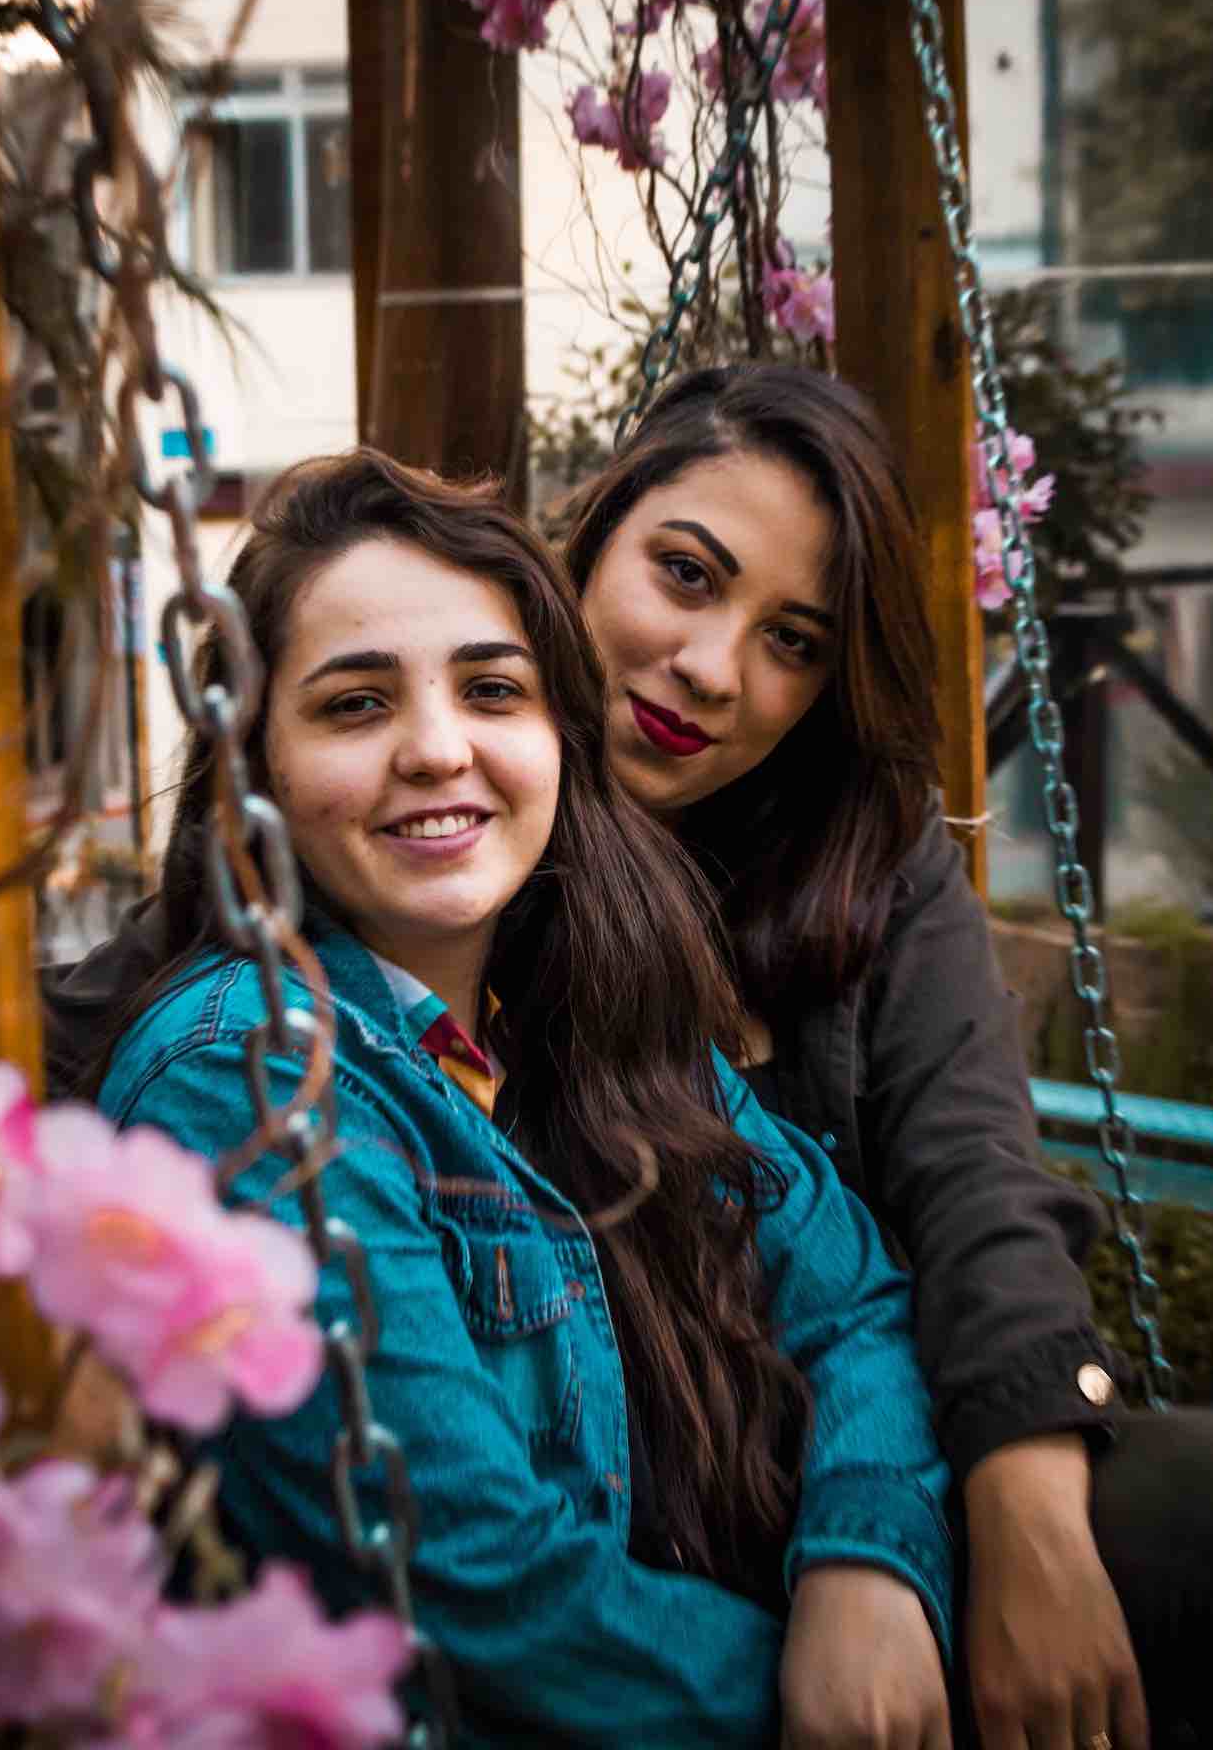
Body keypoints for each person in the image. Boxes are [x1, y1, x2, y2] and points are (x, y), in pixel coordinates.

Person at [87, 449, 957, 1748]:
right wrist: (819, 1702)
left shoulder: (584, 1019)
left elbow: (854, 1297)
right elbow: (484, 1589)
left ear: (557, 733)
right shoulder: (251, 1076)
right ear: (252, 769)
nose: (440, 751)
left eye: (493, 691)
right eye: (354, 705)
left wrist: (869, 1567)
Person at [565, 361, 1213, 1750]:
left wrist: (1029, 1521)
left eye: (794, 642)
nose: (713, 669)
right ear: (593, 531)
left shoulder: (868, 864)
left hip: (885, 1468)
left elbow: (973, 1180)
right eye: (685, 576)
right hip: (627, 1533)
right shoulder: (463, 842)